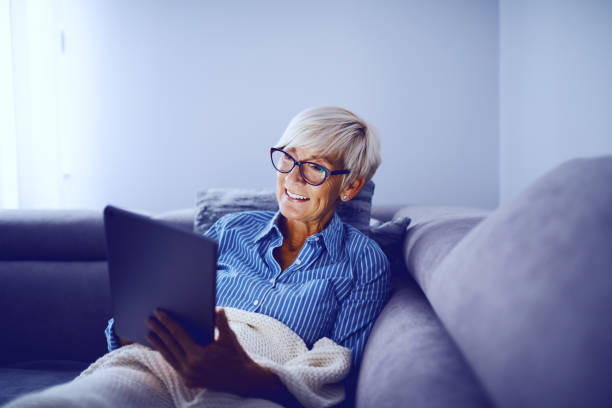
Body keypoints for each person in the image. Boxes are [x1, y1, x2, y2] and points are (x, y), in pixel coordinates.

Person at [104, 106, 392, 406]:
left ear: (351, 186)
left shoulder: (363, 262)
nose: (293, 179)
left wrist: (245, 376)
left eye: (315, 168)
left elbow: (341, 379)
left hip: (256, 392)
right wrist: (139, 327)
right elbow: (148, 321)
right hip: (157, 368)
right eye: (288, 158)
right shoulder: (230, 229)